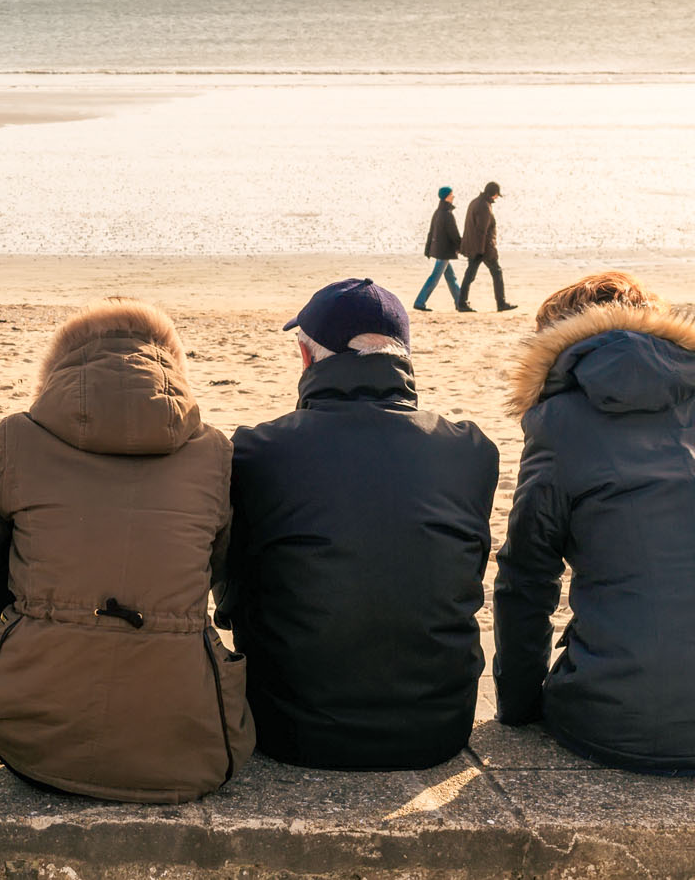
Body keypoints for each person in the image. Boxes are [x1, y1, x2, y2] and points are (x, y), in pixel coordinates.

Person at [494, 271, 695, 774]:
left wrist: (518, 707)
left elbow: (527, 575)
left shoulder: (558, 421)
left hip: (629, 718)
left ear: (555, 342)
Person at [0, 299, 253, 802]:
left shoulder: (17, 438)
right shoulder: (214, 453)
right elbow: (218, 570)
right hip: (188, 745)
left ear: (59, 369)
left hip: (32, 740)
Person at [217, 279, 498, 769]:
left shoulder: (258, 451)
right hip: (436, 728)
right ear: (404, 358)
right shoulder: (471, 451)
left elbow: (233, 585)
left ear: (306, 357)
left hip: (290, 727)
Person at [457, 181, 516, 312]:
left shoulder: (475, 202)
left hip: (475, 246)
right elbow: (482, 230)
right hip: (483, 249)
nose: (496, 198)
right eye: (496, 195)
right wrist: (481, 250)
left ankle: (461, 303)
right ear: (493, 193)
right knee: (496, 273)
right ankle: (501, 303)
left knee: (470, 275)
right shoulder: (484, 206)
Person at [414, 186, 462, 311]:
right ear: (447, 196)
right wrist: (462, 247)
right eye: (452, 194)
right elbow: (454, 234)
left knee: (451, 278)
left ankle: (460, 302)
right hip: (444, 252)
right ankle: (420, 302)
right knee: (434, 278)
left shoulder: (438, 211)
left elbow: (431, 232)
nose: (453, 196)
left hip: (439, 250)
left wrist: (428, 249)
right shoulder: (447, 214)